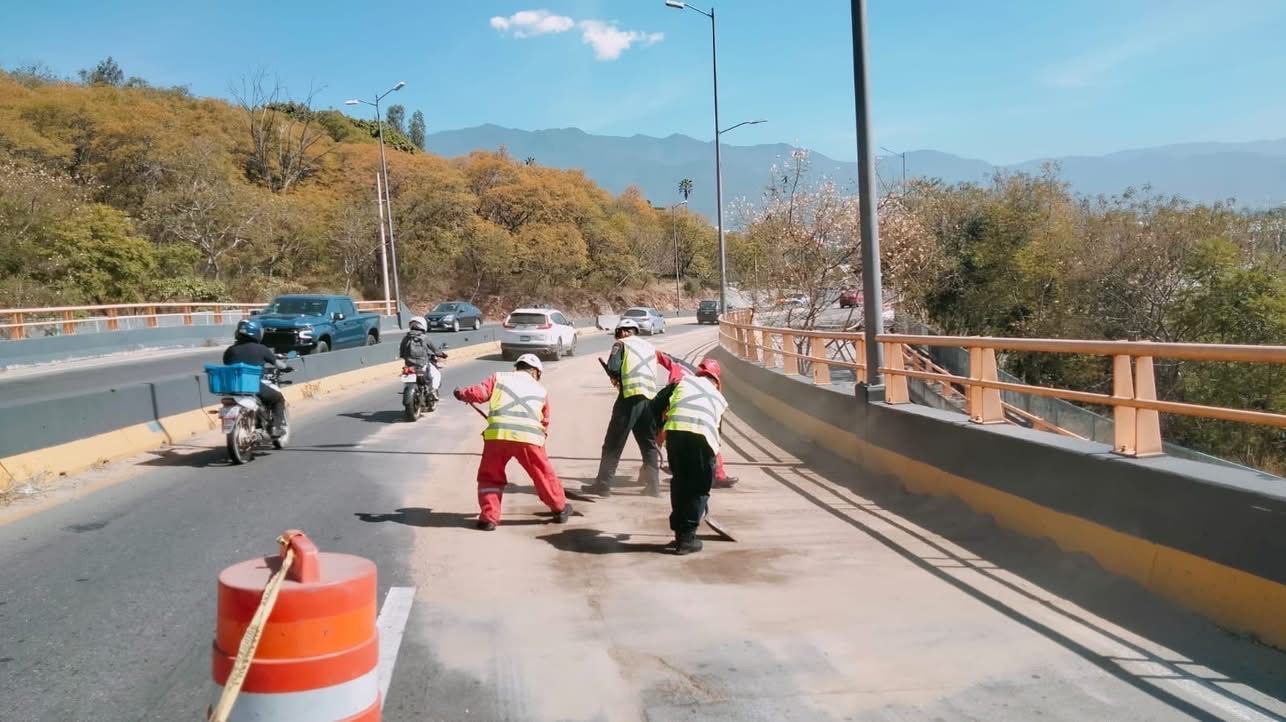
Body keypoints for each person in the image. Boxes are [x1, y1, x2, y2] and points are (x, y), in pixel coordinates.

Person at [453, 353, 572, 531]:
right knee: (542, 474)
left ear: (518, 367)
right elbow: (545, 420)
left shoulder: (499, 378)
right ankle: (560, 509)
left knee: (490, 476)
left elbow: (480, 393)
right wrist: (540, 440)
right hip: (530, 439)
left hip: (498, 436)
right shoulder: (541, 390)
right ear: (535, 372)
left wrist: (462, 394)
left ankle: (489, 518)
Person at [581, 318, 674, 498]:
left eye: (619, 333)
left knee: (613, 443)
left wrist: (614, 376)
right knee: (648, 444)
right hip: (649, 399)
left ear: (622, 331)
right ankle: (653, 487)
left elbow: (614, 368)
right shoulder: (649, 347)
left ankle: (603, 485)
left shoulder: (620, 344)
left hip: (629, 398)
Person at [650, 358, 729, 555]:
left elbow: (654, 405)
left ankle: (679, 533)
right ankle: (687, 539)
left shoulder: (682, 383)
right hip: (703, 440)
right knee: (699, 488)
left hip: (675, 435)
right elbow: (716, 435)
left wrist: (659, 429)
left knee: (680, 482)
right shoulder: (719, 399)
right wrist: (712, 470)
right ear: (716, 382)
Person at [657, 360, 738, 489]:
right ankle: (716, 476)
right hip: (698, 429)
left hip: (674, 425)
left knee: (669, 437)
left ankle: (678, 470)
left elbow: (660, 406)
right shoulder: (713, 392)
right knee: (710, 442)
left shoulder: (683, 378)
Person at [222, 318, 288, 437]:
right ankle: (275, 428)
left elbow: (227, 364)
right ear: (257, 332)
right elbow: (278, 364)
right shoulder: (261, 349)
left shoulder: (229, 350)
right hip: (253, 386)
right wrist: (286, 366)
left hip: (233, 387)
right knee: (278, 399)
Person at [399, 316, 447, 398]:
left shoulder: (406, 338)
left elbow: (401, 352)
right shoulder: (425, 338)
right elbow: (435, 350)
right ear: (423, 325)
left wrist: (407, 358)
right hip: (422, 364)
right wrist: (443, 355)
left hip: (409, 365)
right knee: (436, 374)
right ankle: (433, 391)